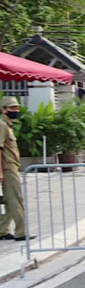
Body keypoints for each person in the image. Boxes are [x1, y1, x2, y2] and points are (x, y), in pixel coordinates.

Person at [0, 97, 31, 242]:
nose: (16, 110)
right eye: (12, 108)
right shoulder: (2, 125)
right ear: (3, 110)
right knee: (16, 199)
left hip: (11, 167)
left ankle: (2, 230)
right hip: (7, 168)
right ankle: (21, 232)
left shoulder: (8, 125)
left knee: (9, 199)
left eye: (17, 107)